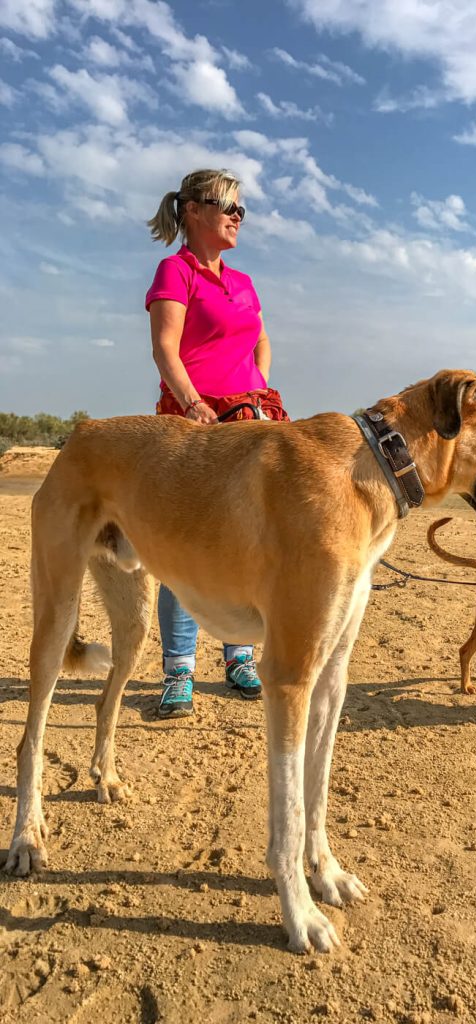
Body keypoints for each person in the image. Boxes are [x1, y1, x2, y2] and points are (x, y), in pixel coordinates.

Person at [145, 168, 285, 719]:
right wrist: (195, 404)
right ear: (192, 211)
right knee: (183, 549)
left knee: (246, 545)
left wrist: (259, 386)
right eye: (227, 206)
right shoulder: (174, 272)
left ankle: (240, 658)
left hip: (251, 424)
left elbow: (261, 337)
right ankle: (179, 669)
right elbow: (165, 347)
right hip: (193, 428)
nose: (237, 217)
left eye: (241, 209)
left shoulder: (245, 281)